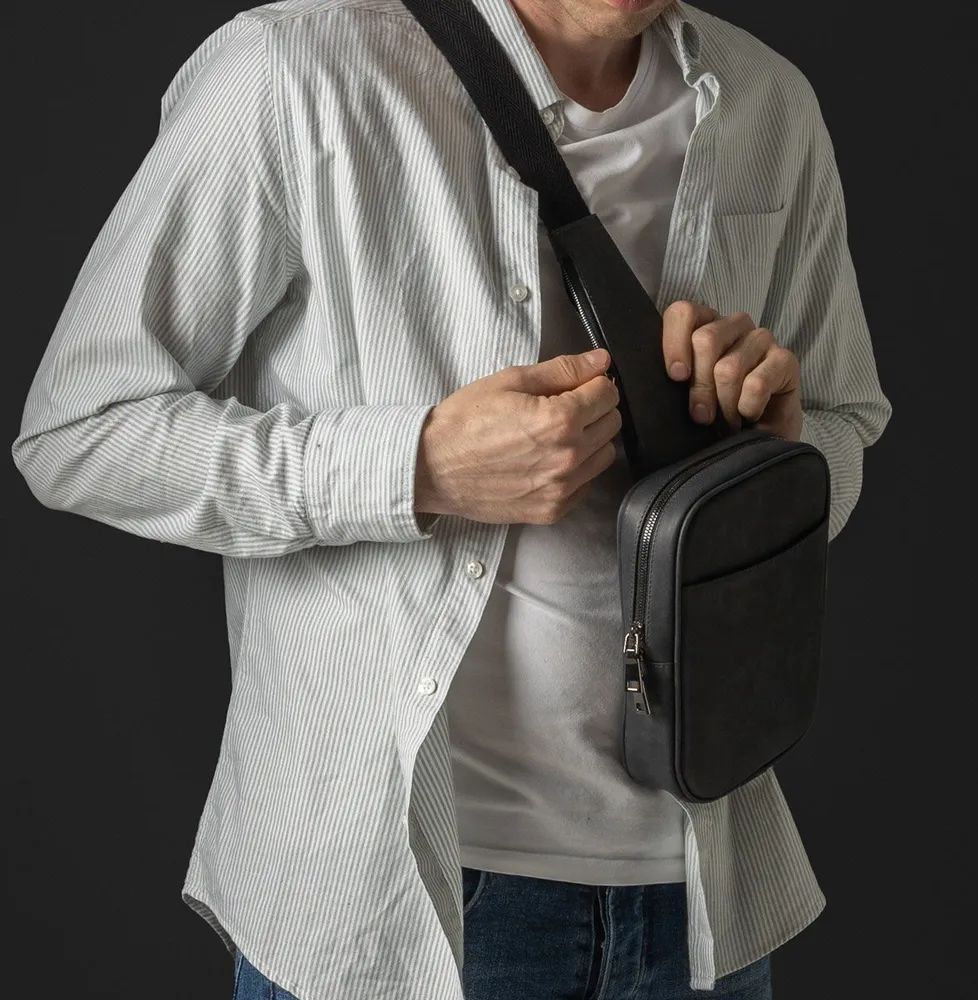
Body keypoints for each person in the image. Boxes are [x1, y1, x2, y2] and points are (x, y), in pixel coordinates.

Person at [12, 0, 891, 997]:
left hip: (699, 897)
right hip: (401, 908)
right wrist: (415, 467)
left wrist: (774, 457)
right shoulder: (293, 71)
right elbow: (79, 432)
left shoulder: (769, 104)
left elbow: (846, 423)